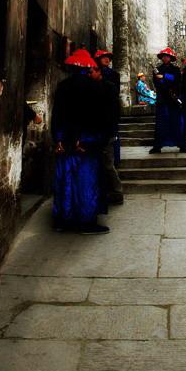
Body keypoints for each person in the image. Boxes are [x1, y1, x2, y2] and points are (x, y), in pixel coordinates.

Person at [51, 49, 110, 234]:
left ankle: (63, 221)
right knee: (86, 182)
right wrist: (94, 140)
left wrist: (58, 139)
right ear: (88, 68)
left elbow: (57, 115)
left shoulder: (62, 86)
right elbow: (100, 118)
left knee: (66, 180)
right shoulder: (95, 87)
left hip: (66, 140)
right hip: (86, 141)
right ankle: (86, 222)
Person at [94, 49, 124, 205]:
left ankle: (116, 190)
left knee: (109, 154)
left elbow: (114, 94)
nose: (106, 60)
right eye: (104, 58)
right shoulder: (93, 74)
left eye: (108, 58)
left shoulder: (113, 75)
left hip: (109, 116)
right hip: (99, 118)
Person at [149, 47, 186, 154]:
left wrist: (164, 77)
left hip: (173, 100)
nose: (165, 58)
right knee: (161, 123)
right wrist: (163, 81)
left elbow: (177, 81)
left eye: (167, 56)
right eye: (164, 56)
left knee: (177, 122)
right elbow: (156, 83)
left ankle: (182, 145)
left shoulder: (175, 69)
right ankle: (157, 146)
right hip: (162, 100)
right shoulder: (157, 69)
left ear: (171, 58)